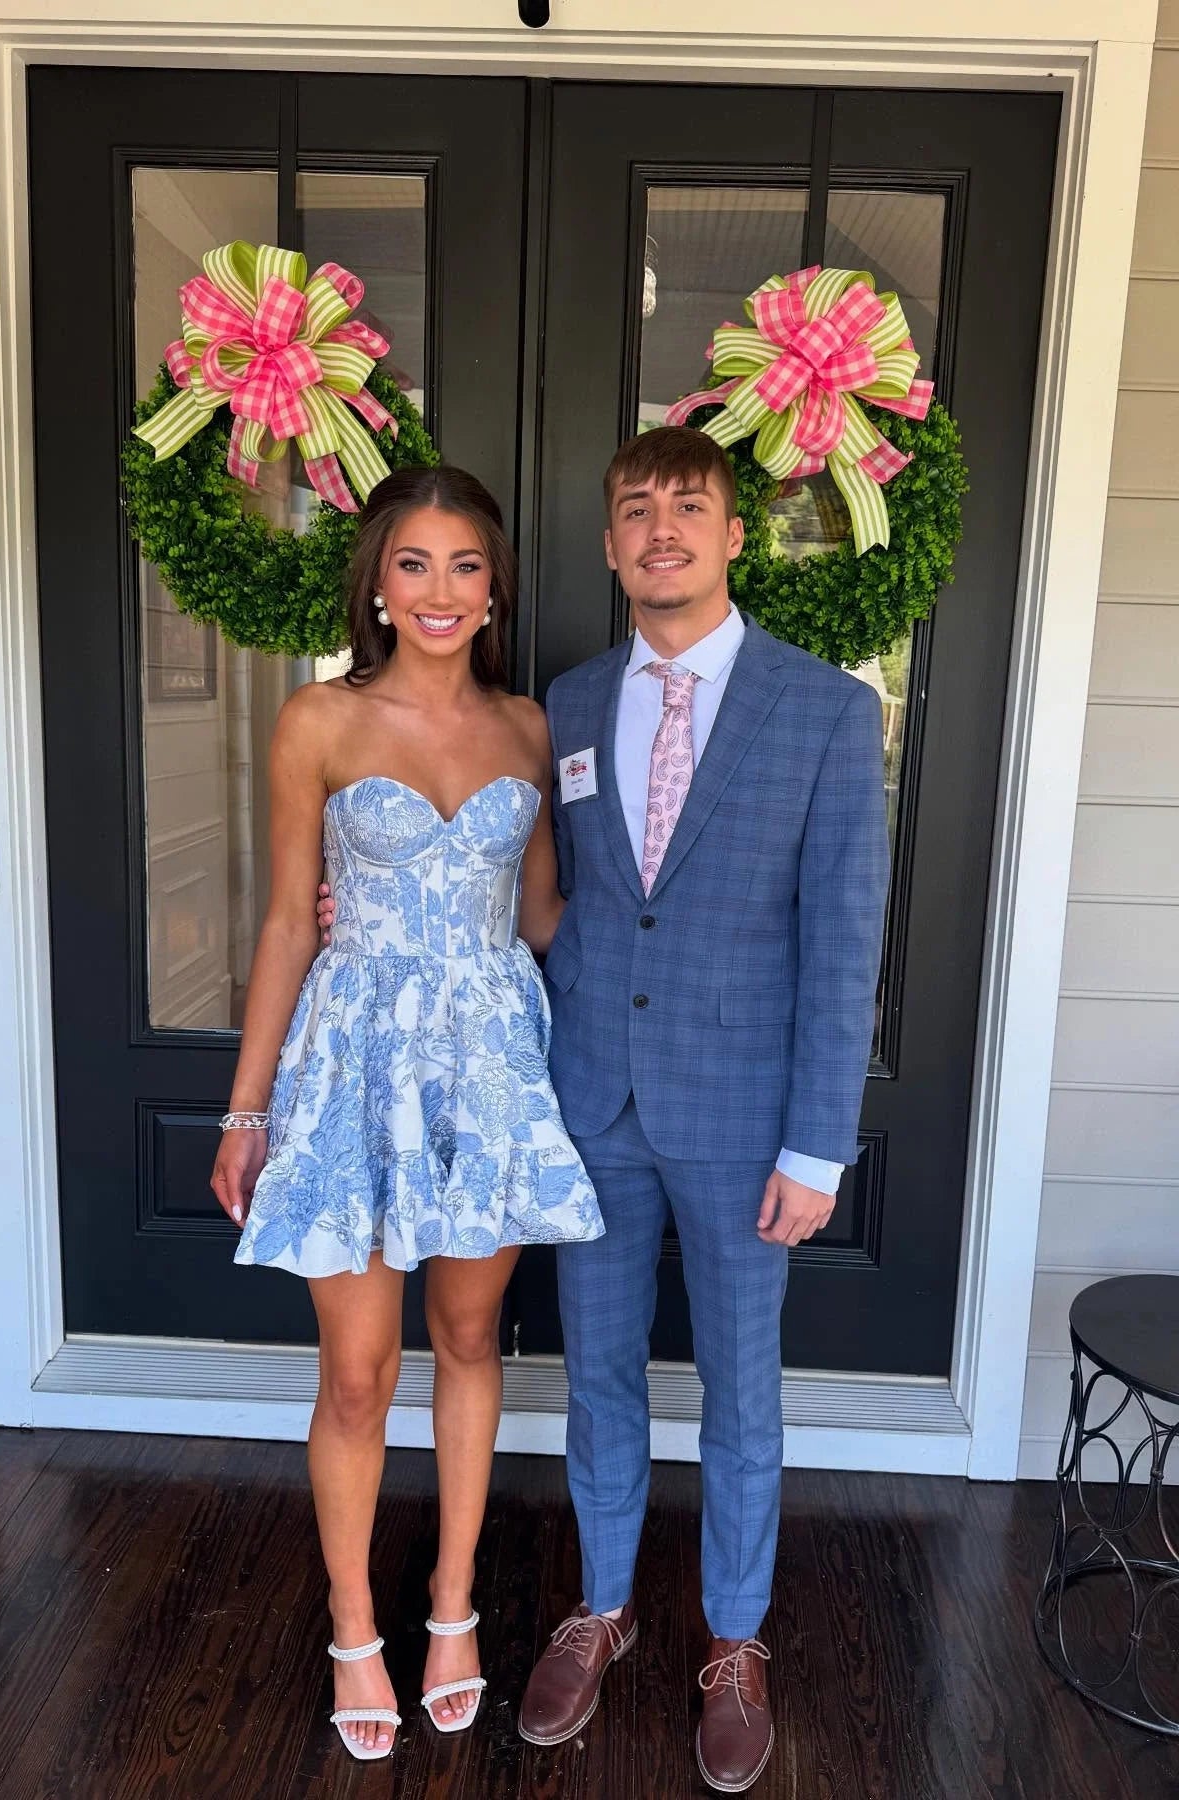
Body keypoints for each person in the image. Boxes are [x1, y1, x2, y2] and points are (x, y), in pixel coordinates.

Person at [316, 427, 889, 1791]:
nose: (661, 530)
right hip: (586, 1100)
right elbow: (543, 899)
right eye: (636, 509)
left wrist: (819, 1142)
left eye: (689, 507)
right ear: (611, 544)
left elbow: (843, 939)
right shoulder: (566, 705)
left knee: (742, 1384)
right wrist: (380, 908)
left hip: (745, 1113)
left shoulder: (822, 710)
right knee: (601, 1374)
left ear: (735, 536)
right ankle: (603, 1603)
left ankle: (735, 1640)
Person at [211, 464, 602, 1766]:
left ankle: (450, 1606)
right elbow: (287, 921)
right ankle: (351, 1625)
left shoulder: (531, 729)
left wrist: (681, 930)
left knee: (473, 1334)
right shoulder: (317, 718)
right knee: (358, 1371)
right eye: (415, 563)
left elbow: (542, 917)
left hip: (489, 1067)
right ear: (378, 581)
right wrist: (246, 1111)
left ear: (495, 587)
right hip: (353, 1066)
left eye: (466, 565)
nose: (441, 590)